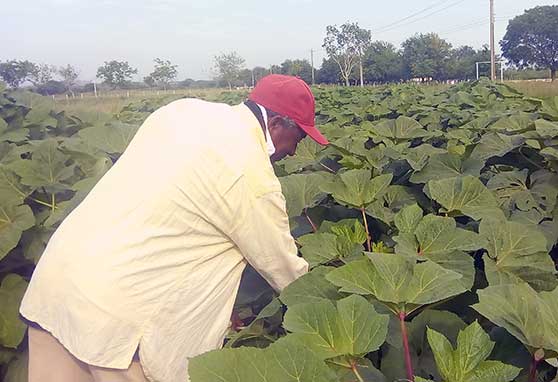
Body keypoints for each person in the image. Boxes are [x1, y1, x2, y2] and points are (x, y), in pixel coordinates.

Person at [19, 74, 328, 382]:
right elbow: (287, 274)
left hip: (57, 283)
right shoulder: (252, 173)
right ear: (275, 124)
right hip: (118, 322)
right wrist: (326, 311)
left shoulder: (182, 112)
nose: (295, 152)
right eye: (298, 139)